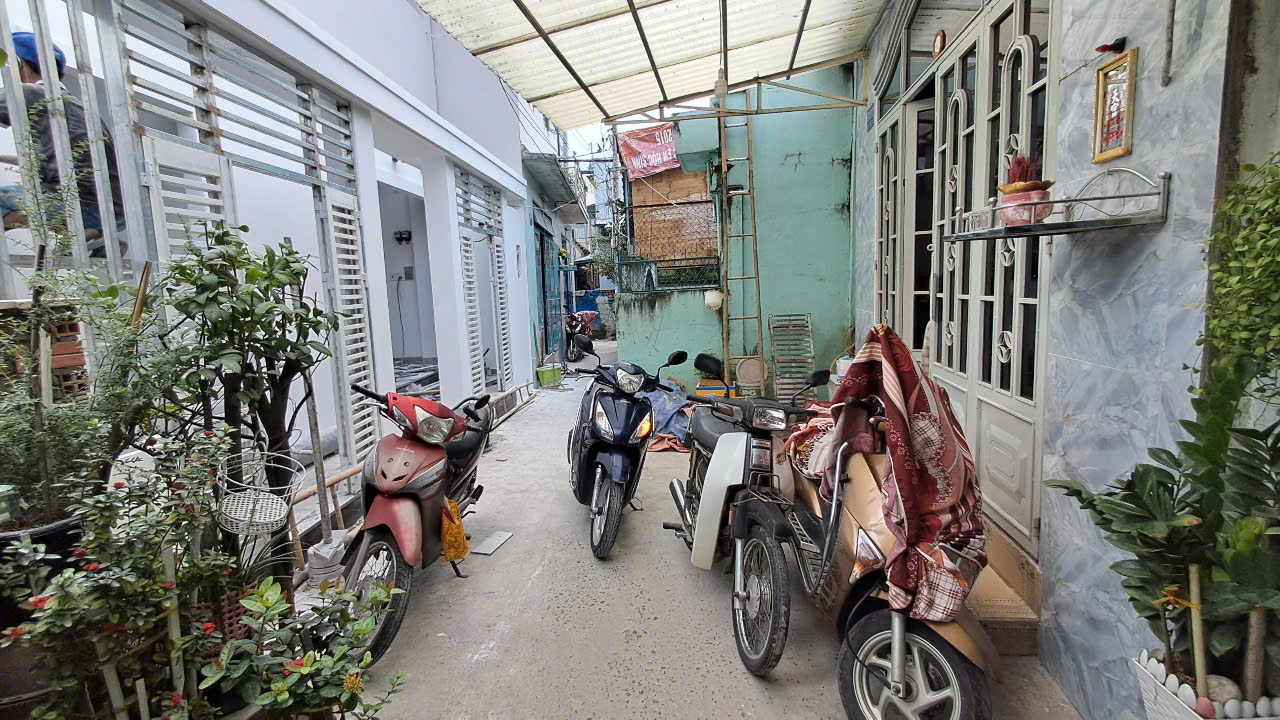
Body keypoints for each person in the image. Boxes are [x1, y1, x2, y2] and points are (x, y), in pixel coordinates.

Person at [0, 31, 125, 259]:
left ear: (19, 64)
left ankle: (74, 231)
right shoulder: (79, 108)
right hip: (110, 212)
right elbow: (58, 161)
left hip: (76, 207)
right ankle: (94, 236)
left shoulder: (31, 92)